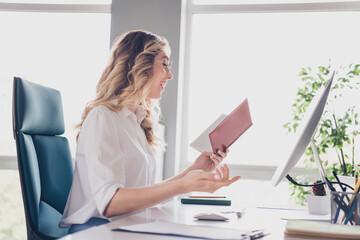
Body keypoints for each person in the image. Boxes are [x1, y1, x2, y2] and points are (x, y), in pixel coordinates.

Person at [59, 30, 240, 234]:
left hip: (126, 227)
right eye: (164, 64)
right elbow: (110, 203)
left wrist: (195, 169)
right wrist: (183, 186)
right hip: (96, 232)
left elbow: (141, 195)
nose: (169, 75)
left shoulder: (135, 121)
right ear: (139, 65)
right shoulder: (103, 117)